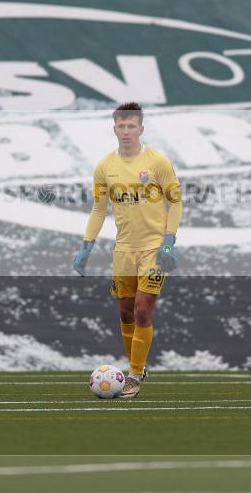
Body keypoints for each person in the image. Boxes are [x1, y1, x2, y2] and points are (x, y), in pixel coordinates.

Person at [72, 102, 182, 399]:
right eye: (121, 126)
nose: (126, 131)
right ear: (115, 129)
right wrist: (86, 246)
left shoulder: (158, 161)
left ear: (141, 129)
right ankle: (139, 365)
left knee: (142, 309)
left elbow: (177, 202)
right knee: (125, 313)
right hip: (124, 250)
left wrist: (169, 242)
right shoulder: (105, 166)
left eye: (131, 126)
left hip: (153, 249)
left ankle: (133, 376)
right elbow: (98, 208)